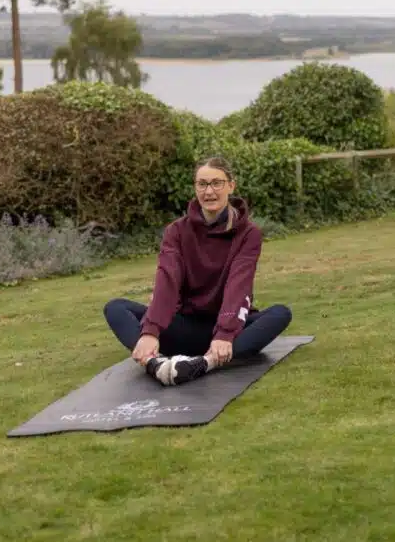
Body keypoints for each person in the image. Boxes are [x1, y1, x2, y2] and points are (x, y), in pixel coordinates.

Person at [103, 156, 292, 386]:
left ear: (231, 185)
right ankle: (157, 366)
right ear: (195, 187)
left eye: (216, 183)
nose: (209, 191)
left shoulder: (249, 234)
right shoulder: (176, 231)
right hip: (186, 326)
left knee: (280, 314)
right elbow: (167, 279)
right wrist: (150, 331)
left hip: (227, 333)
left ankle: (205, 363)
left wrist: (224, 333)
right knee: (116, 308)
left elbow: (238, 284)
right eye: (202, 184)